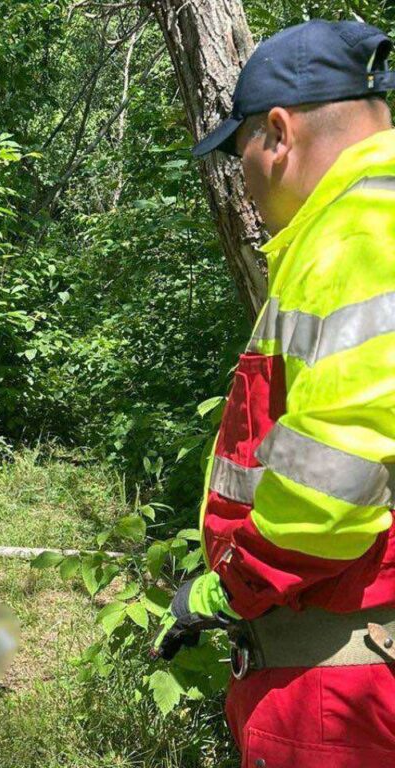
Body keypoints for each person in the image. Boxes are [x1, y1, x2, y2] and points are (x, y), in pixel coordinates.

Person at [154, 19, 395, 767]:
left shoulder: (360, 232)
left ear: (280, 133)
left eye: (240, 152)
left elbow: (339, 464)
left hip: (338, 689)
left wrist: (236, 586)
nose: (242, 179)